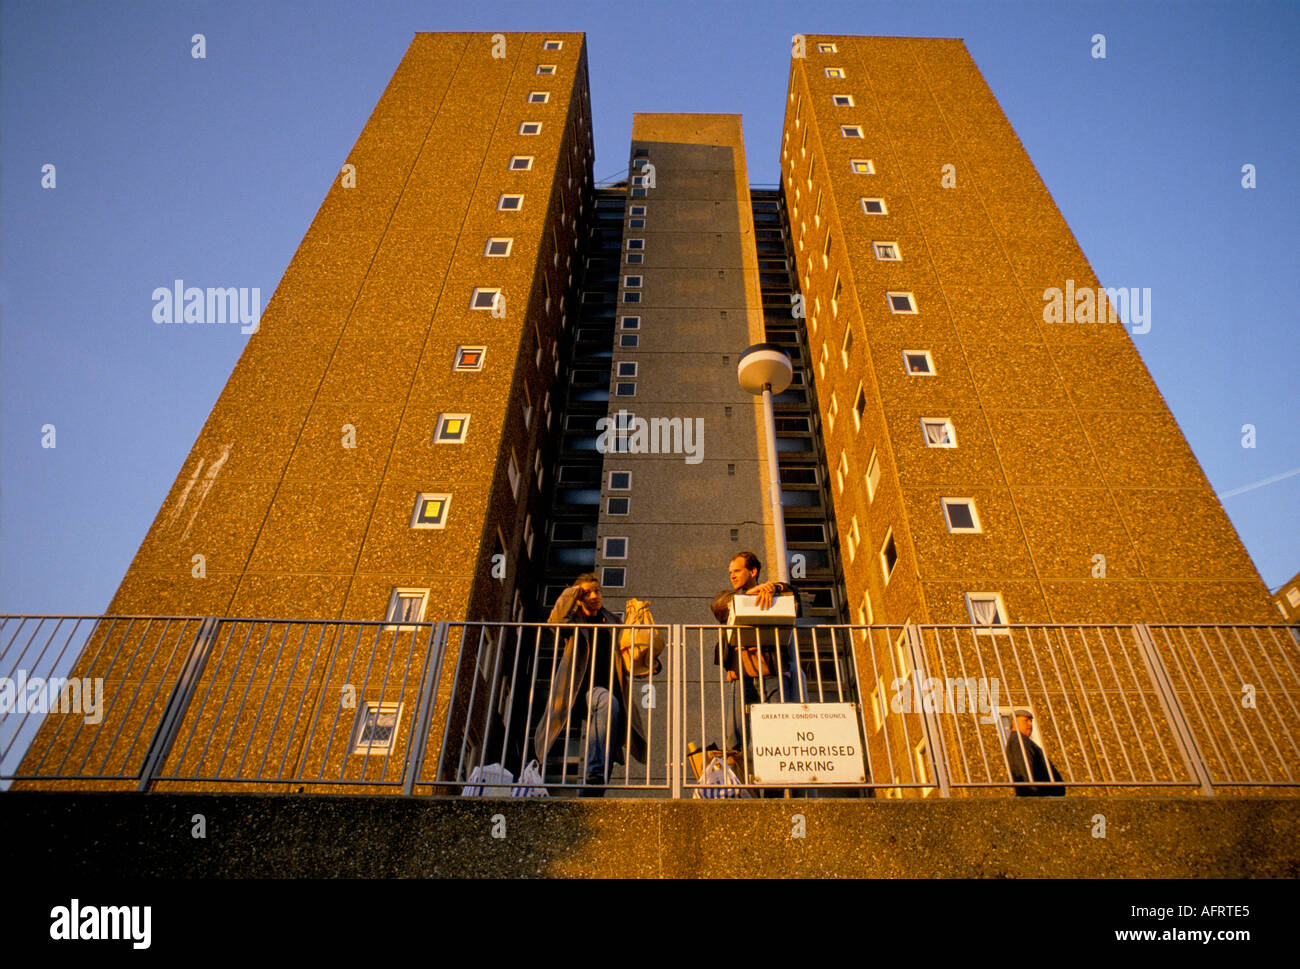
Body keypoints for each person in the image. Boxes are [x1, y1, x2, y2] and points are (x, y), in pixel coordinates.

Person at [534, 573, 647, 796]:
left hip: (614, 694)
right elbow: (554, 621)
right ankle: (594, 771)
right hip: (583, 690)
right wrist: (572, 592)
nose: (595, 596)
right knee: (605, 702)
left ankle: (590, 798)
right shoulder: (574, 620)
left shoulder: (613, 620)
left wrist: (648, 660)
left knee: (609, 751)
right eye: (587, 593)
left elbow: (628, 656)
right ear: (578, 597)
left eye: (597, 591)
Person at [709, 551, 806, 755]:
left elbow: (796, 596)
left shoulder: (774, 593)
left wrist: (776, 587)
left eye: (737, 571)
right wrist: (749, 595)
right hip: (740, 677)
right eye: (730, 572)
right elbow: (717, 605)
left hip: (773, 674)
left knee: (780, 736)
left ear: (753, 571)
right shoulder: (728, 597)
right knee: (734, 739)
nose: (732, 576)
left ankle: (776, 787)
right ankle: (737, 785)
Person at [1004, 708, 1065, 797]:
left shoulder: (1022, 740)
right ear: (1014, 723)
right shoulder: (1018, 741)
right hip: (1038, 795)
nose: (1030, 724)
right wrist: (1034, 791)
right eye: (1026, 721)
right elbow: (1024, 768)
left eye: (1031, 721)